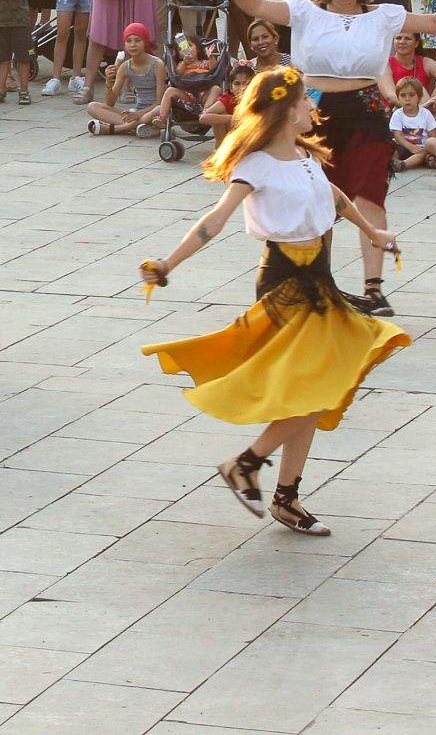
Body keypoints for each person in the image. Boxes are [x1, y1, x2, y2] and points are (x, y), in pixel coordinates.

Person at [138, 64, 409, 536]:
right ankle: (247, 464)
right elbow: (214, 221)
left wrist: (373, 232)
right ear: (286, 109)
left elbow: (338, 198)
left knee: (312, 390)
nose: (312, 107)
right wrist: (167, 263)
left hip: (319, 280)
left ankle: (286, 496)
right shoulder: (255, 164)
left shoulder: (305, 157)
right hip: (285, 283)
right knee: (316, 389)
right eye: (306, 100)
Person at [219, 0, 436, 317]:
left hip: (366, 110)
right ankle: (322, 284)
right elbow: (259, 7)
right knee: (318, 201)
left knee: (370, 197)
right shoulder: (305, 10)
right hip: (314, 112)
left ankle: (374, 289)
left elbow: (431, 21)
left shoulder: (382, 16)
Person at [87, 22, 167, 136]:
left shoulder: (157, 64)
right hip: (138, 113)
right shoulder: (125, 67)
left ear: (145, 42)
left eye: (137, 40)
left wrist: (139, 114)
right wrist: (109, 82)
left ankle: (116, 129)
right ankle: (140, 127)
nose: (133, 45)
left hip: (154, 111)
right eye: (128, 41)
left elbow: (160, 102)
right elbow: (110, 102)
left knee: (159, 110)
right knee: (92, 107)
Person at [388, 75, 436, 171]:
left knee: (422, 154)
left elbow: (433, 135)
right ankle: (393, 162)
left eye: (411, 95)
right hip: (402, 146)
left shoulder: (425, 113)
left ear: (419, 97)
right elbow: (397, 136)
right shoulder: (397, 114)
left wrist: (429, 148)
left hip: (420, 148)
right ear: (398, 98)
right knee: (392, 148)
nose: (407, 99)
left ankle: (403, 165)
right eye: (403, 95)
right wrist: (410, 147)